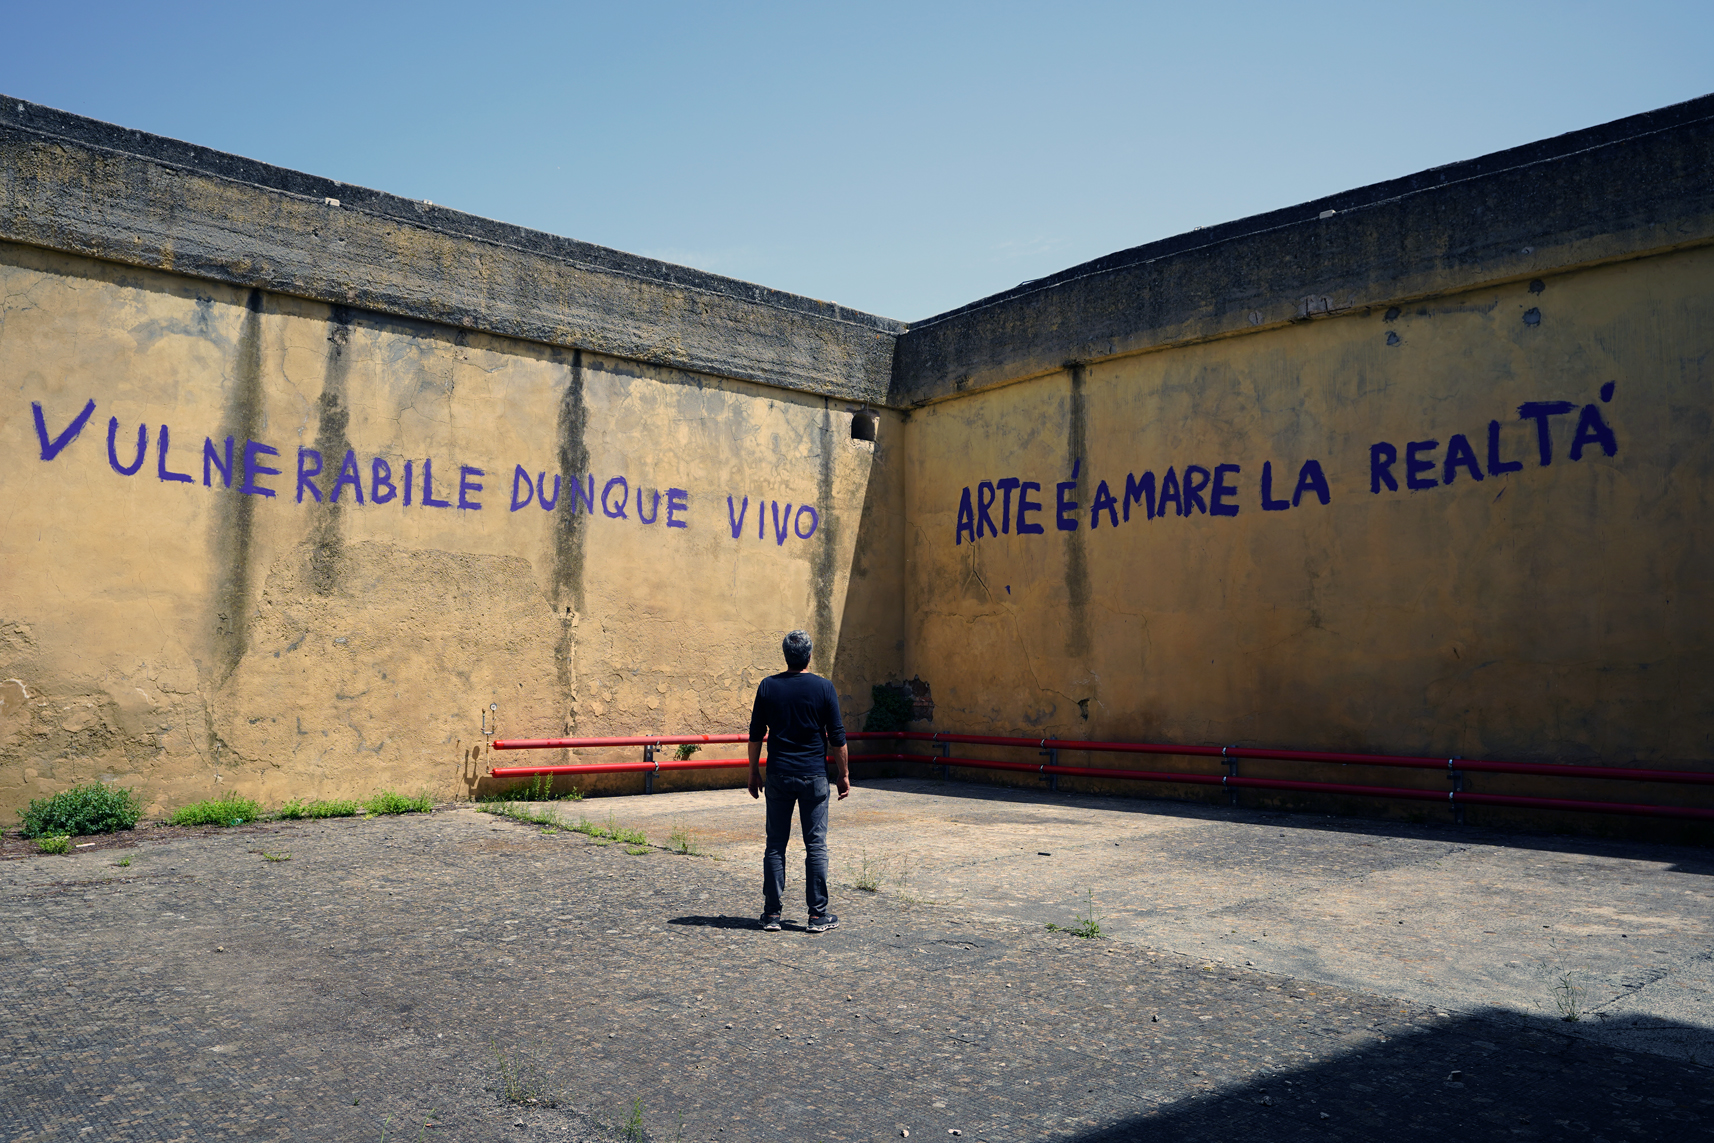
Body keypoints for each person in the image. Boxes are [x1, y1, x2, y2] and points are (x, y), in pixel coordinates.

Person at [747, 629, 850, 932]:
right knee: (815, 844)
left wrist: (753, 772)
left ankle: (771, 915)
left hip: (778, 774)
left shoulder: (768, 686)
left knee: (775, 844)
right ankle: (817, 915)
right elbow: (837, 737)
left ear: (785, 655)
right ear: (809, 656)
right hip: (814, 775)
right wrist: (843, 774)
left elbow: (756, 735)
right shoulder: (824, 688)